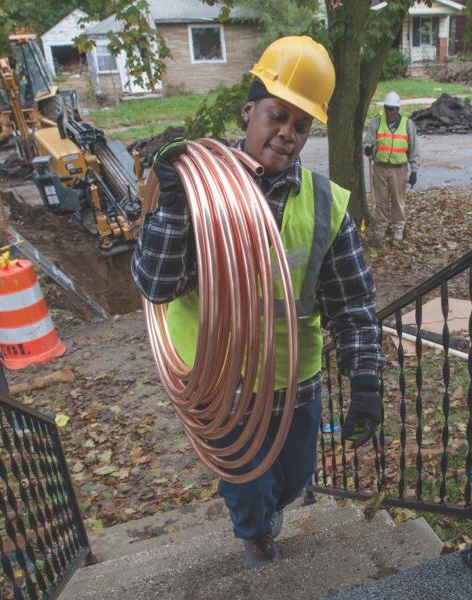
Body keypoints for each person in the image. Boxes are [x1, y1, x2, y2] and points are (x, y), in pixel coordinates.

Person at [131, 36, 384, 569]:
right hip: (220, 383)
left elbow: (353, 303)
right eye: (276, 115)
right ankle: (256, 543)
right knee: (246, 487)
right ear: (249, 111)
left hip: (296, 380)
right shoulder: (197, 191)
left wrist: (365, 380)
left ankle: (273, 514)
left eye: (301, 124)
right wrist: (174, 208)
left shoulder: (324, 205)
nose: (286, 133)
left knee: (293, 479)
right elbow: (157, 285)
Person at [363, 92, 420, 247]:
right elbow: (368, 142)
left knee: (397, 201)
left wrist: (414, 170)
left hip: (399, 169)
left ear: (397, 109)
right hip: (380, 167)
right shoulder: (376, 123)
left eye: (392, 110)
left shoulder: (407, 125)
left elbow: (414, 149)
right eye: (387, 109)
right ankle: (381, 228)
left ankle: (398, 229)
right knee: (380, 201)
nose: (389, 113)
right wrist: (368, 149)